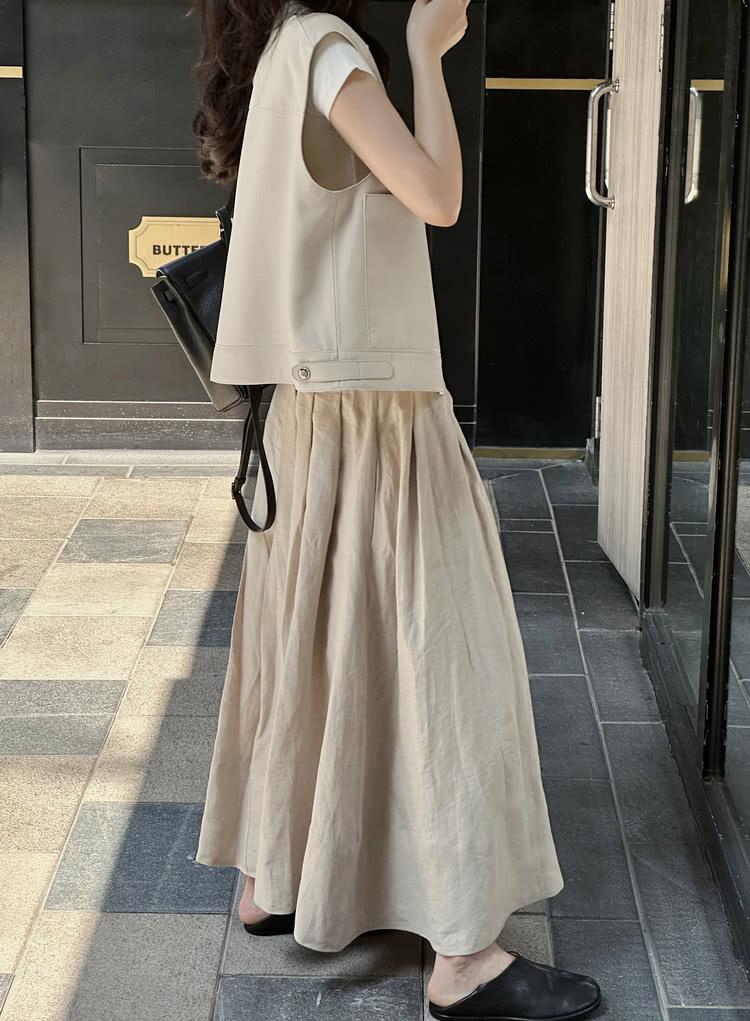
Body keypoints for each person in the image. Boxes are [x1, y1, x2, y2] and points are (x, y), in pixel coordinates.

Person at [191, 0, 603, 1017]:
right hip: (376, 413)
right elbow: (437, 195)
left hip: (312, 415)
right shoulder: (332, 51)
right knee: (440, 653)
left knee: (314, 643)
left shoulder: (283, 50)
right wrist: (426, 52)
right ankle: (463, 960)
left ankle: (275, 876)